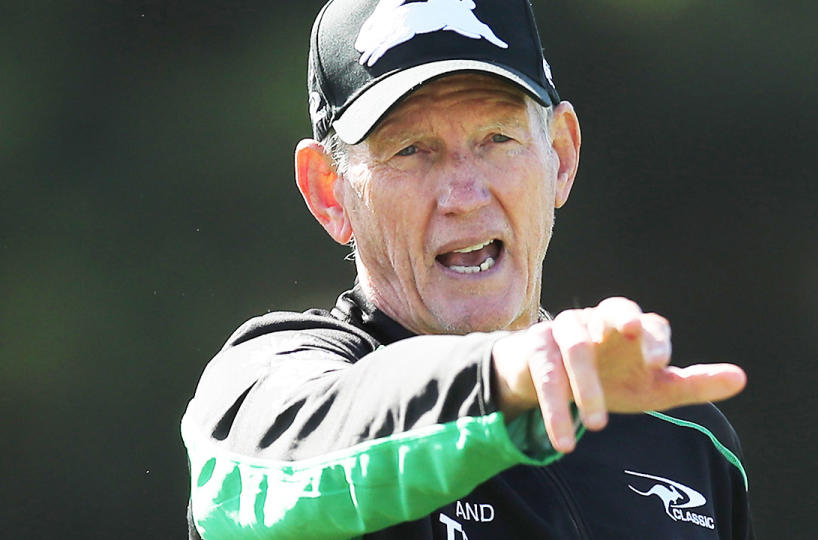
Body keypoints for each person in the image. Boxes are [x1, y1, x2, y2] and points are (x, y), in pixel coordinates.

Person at [181, 0, 755, 538]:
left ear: (562, 155)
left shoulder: (686, 441)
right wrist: (505, 379)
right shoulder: (264, 389)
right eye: (411, 150)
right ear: (329, 193)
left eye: (497, 138)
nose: (464, 193)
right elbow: (282, 467)